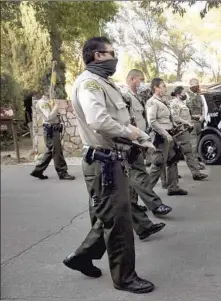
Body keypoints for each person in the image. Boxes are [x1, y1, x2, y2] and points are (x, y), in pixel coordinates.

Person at [63, 37, 155, 294]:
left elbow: (118, 119)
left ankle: (81, 257)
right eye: (110, 53)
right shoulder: (90, 83)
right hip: (103, 162)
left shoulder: (104, 83)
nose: (115, 57)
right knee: (118, 223)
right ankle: (124, 277)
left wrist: (137, 140)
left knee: (109, 216)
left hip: (113, 159)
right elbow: (99, 121)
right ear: (96, 56)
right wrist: (132, 133)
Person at [121, 69, 173, 217]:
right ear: (132, 79)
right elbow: (127, 120)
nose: (143, 83)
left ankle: (133, 206)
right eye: (141, 79)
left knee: (134, 174)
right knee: (139, 173)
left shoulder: (137, 96)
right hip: (132, 140)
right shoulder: (125, 96)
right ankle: (155, 205)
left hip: (140, 139)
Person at [146, 78, 188, 196]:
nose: (165, 88)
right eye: (163, 86)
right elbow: (152, 121)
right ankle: (146, 191)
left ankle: (173, 187)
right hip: (161, 136)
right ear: (156, 88)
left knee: (173, 160)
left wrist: (174, 126)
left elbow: (166, 118)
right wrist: (165, 134)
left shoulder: (163, 101)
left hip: (169, 134)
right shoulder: (152, 102)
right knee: (158, 163)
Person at [30, 93, 75, 180]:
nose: (53, 93)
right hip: (51, 131)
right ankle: (62, 172)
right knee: (57, 152)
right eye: (51, 91)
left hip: (53, 130)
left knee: (51, 152)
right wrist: (56, 107)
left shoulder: (48, 102)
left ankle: (38, 171)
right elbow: (48, 117)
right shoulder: (42, 103)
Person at [170, 86, 208, 181]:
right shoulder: (175, 103)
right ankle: (195, 173)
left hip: (185, 130)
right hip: (180, 131)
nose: (185, 95)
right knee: (187, 152)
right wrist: (187, 123)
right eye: (183, 93)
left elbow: (186, 115)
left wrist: (194, 118)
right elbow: (175, 117)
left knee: (179, 153)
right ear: (178, 94)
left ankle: (175, 174)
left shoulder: (182, 103)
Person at [187, 78, 206, 170]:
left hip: (199, 122)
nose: (197, 86)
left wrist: (202, 116)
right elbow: (186, 111)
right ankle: (194, 165)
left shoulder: (199, 96)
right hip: (191, 122)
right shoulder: (186, 95)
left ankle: (196, 162)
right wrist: (195, 117)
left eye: (198, 84)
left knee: (197, 144)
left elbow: (203, 106)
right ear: (190, 85)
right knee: (193, 145)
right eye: (195, 84)